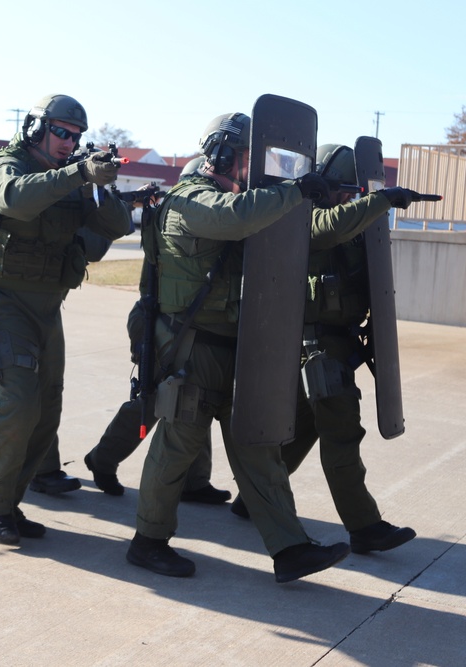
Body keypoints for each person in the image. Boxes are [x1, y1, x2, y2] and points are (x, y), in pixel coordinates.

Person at [126, 111, 351, 582]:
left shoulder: (245, 200)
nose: (255, 168)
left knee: (258, 443)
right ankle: (148, 542)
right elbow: (231, 218)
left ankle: (290, 549)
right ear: (223, 154)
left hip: (234, 346)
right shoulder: (192, 200)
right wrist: (293, 191)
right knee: (177, 444)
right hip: (192, 347)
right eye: (249, 156)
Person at [229, 143, 417, 556]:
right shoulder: (302, 215)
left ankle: (253, 497)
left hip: (338, 342)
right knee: (343, 435)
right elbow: (325, 228)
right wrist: (379, 201)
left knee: (303, 429)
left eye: (354, 190)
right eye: (342, 188)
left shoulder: (352, 219)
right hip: (316, 349)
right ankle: (365, 526)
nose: (349, 196)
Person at [0, 94, 132, 544]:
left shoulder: (74, 175)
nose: (68, 141)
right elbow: (14, 199)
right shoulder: (7, 164)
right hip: (3, 301)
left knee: (45, 411)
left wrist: (99, 182)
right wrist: (78, 172)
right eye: (61, 132)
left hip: (47, 306)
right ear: (37, 127)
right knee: (17, 402)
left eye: (75, 136)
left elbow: (116, 226)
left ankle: (10, 505)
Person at [85, 155, 230, 502]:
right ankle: (102, 458)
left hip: (182, 324)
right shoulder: (178, 218)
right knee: (152, 400)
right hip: (159, 323)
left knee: (197, 402)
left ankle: (193, 481)